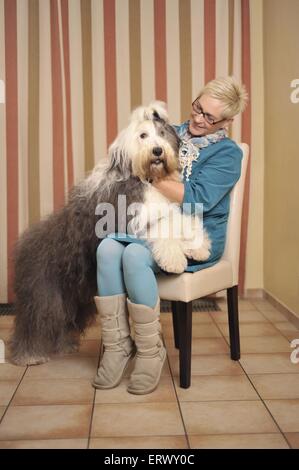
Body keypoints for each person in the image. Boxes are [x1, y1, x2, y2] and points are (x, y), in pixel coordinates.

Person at [93, 76, 248, 395]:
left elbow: (198, 198)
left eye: (210, 117)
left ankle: (151, 352)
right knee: (107, 247)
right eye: (198, 108)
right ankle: (117, 346)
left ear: (228, 121)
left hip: (195, 232)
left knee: (134, 255)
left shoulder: (228, 154)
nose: (199, 119)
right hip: (151, 223)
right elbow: (124, 165)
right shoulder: (168, 132)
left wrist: (146, 175)